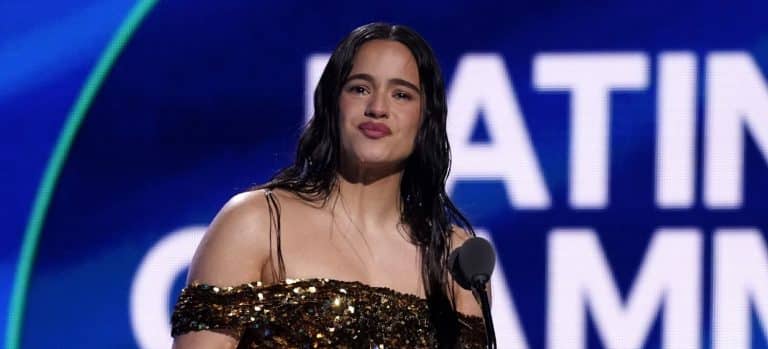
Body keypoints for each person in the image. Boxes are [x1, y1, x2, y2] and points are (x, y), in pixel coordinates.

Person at [171, 22, 490, 348]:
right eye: (360, 88)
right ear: (331, 103)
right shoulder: (256, 222)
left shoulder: (455, 259)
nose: (378, 108)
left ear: (426, 119)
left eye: (401, 95)